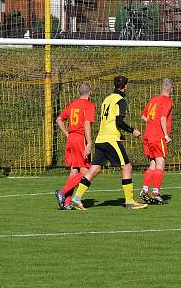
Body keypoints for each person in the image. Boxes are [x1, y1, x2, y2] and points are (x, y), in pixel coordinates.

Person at [70, 76, 148, 210]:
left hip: (101, 138)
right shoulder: (120, 101)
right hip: (110, 139)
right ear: (126, 86)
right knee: (127, 167)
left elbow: (109, 121)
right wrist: (132, 130)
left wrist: (120, 133)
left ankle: (76, 199)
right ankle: (129, 201)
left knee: (94, 169)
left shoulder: (107, 99)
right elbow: (118, 122)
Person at [54, 82, 95, 210]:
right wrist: (89, 143)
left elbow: (59, 119)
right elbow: (87, 124)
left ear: (79, 93)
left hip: (71, 138)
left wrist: (67, 134)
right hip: (80, 139)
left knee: (74, 170)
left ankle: (66, 203)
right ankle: (63, 192)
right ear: (90, 92)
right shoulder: (89, 105)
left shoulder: (72, 104)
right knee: (86, 172)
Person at [140, 78, 174, 204]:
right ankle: (156, 193)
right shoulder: (168, 101)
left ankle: (144, 190)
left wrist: (151, 123)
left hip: (148, 135)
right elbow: (163, 118)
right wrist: (166, 135)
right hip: (158, 136)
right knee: (160, 163)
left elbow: (144, 116)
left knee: (153, 164)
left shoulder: (153, 100)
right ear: (171, 89)